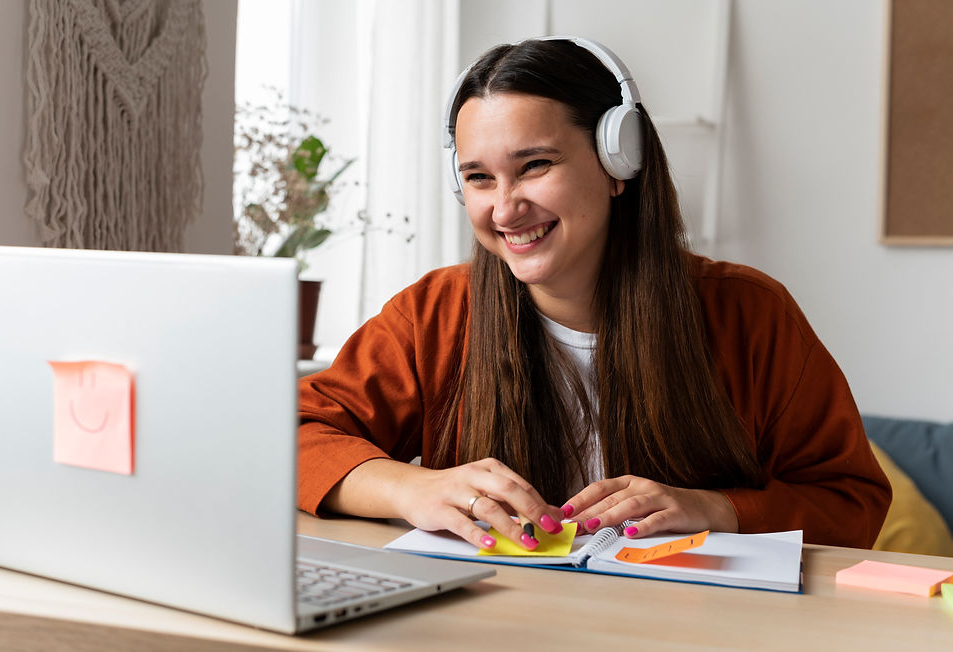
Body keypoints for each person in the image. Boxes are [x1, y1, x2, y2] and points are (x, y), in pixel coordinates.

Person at [297, 36, 890, 552]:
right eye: (479, 177)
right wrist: (410, 486)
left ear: (617, 163)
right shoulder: (434, 313)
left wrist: (720, 510)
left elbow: (850, 502)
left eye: (534, 165)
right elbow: (291, 433)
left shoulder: (752, 313)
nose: (504, 208)